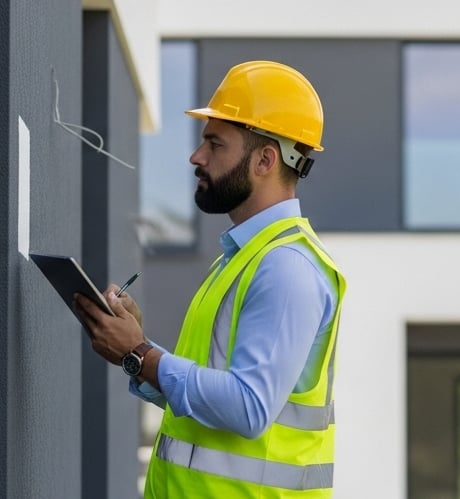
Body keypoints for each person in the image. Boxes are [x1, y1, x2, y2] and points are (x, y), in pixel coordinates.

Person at [74, 60, 346, 498]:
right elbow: (209, 401)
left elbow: (247, 407)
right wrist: (134, 349)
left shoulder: (286, 267)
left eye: (214, 144)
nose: (196, 157)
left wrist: (140, 353)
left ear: (265, 160)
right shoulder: (242, 259)